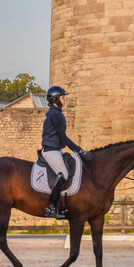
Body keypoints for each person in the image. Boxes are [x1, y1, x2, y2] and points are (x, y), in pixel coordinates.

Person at [41, 85, 91, 219]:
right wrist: (80, 151)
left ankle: (64, 205)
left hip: (57, 149)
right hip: (50, 150)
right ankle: (50, 207)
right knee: (63, 174)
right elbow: (64, 138)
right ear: (55, 99)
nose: (65, 100)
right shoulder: (54, 114)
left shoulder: (56, 113)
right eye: (63, 98)